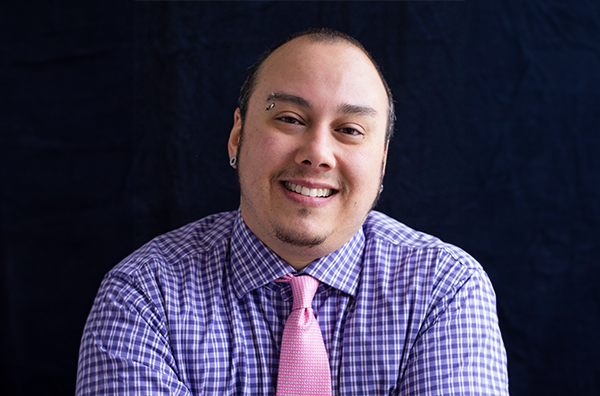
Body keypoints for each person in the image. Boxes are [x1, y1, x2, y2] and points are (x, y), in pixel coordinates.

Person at [76, 28, 509, 395]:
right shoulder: (143, 296)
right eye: (289, 119)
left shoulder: (444, 289)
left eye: (350, 130)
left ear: (381, 164)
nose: (317, 153)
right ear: (237, 137)